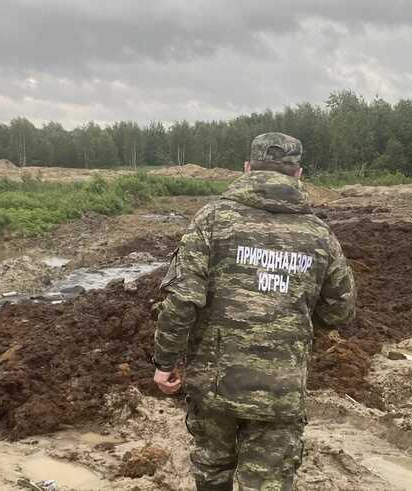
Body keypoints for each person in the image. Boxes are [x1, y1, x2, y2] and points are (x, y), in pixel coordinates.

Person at [152, 132, 356, 491]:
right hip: (281, 388)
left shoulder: (211, 221)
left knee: (213, 472)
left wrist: (165, 363)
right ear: (298, 174)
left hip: (215, 385)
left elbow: (182, 301)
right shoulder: (320, 234)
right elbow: (340, 309)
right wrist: (292, 328)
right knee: (269, 482)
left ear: (246, 168)